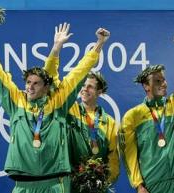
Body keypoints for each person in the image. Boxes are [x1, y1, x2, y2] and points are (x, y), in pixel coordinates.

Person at [0, 22, 107, 193]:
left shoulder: (58, 103)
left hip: (55, 183)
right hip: (23, 185)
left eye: (36, 83)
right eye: (28, 82)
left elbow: (80, 72)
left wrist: (99, 44)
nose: (30, 87)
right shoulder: (16, 101)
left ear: (46, 87)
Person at [119, 32, 174, 193]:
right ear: (146, 86)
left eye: (164, 79)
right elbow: (129, 155)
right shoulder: (133, 116)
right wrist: (138, 185)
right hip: (152, 185)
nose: (164, 84)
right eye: (157, 81)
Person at [44, 23, 119, 192]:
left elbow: (113, 159)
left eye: (90, 86)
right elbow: (50, 80)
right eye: (83, 85)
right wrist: (56, 48)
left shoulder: (110, 123)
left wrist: (103, 180)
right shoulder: (69, 110)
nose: (84, 89)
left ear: (100, 91)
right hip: (70, 183)